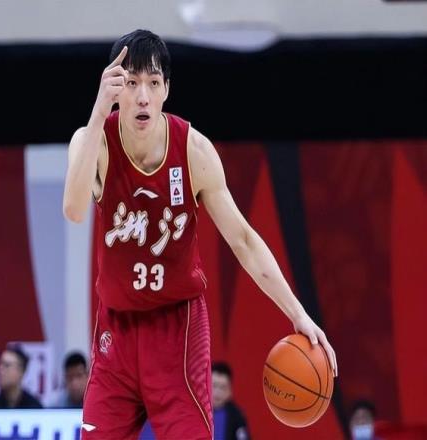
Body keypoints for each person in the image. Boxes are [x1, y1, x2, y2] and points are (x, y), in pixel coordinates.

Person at [63, 29, 338, 440]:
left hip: (178, 330)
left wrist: (298, 313)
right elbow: (74, 210)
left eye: (153, 83)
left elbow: (244, 240)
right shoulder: (91, 141)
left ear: (166, 89)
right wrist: (98, 112)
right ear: (114, 87)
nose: (142, 96)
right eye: (131, 83)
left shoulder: (194, 150)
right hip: (116, 332)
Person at [212, 362, 249, 440]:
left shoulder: (237, 416)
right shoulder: (199, 412)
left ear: (230, 390)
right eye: (214, 386)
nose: (218, 392)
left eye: (222, 387)